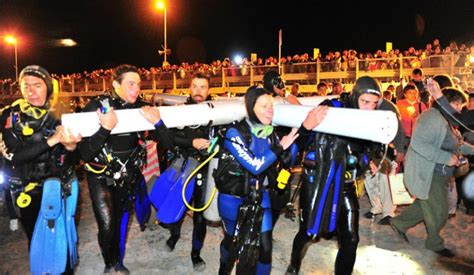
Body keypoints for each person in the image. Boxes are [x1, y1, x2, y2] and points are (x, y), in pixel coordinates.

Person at [216, 86, 328, 275]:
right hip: (232, 199)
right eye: (264, 106)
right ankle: (223, 269)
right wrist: (279, 147)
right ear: (251, 108)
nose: (270, 109)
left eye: (271, 105)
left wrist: (304, 130)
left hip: (260, 196)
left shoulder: (270, 133)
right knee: (232, 242)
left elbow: (287, 158)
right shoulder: (233, 133)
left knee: (265, 248)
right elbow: (255, 165)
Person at [286, 76, 389, 275]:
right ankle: (294, 266)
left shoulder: (371, 117)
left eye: (374, 104)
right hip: (317, 180)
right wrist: (306, 126)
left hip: (346, 183)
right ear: (355, 96)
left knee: (351, 238)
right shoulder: (331, 108)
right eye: (365, 102)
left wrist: (372, 158)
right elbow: (302, 143)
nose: (369, 108)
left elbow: (373, 145)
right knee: (308, 232)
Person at [78, 64, 165, 273]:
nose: (136, 89)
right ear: (116, 84)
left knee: (121, 224)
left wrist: (159, 122)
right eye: (130, 84)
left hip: (128, 175)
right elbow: (83, 154)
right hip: (100, 175)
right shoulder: (96, 106)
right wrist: (105, 128)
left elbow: (167, 142)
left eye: (138, 84)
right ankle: (109, 262)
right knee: (107, 226)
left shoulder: (141, 107)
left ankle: (118, 261)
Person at [0, 65, 81, 272]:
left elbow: (74, 157)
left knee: (64, 241)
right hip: (29, 190)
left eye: (37, 85)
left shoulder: (61, 112)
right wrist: (53, 140)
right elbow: (16, 156)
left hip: (60, 187)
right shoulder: (10, 115)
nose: (31, 91)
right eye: (26, 86)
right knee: (38, 243)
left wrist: (71, 146)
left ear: (48, 87)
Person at [389, 87, 474, 258]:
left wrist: (472, 149)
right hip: (429, 173)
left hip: (439, 173)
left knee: (424, 206)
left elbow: (456, 143)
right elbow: (419, 144)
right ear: (445, 101)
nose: (459, 109)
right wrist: (447, 158)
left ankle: (398, 224)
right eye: (457, 104)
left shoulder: (446, 120)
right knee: (440, 211)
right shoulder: (431, 118)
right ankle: (434, 243)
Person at [153, 72, 215, 271]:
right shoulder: (180, 110)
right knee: (176, 205)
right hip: (183, 166)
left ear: (209, 90)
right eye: (195, 86)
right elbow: (168, 141)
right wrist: (192, 142)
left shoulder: (216, 111)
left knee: (199, 215)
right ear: (189, 88)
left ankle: (195, 254)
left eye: (203, 87)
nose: (198, 91)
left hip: (204, 170)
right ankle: (174, 235)